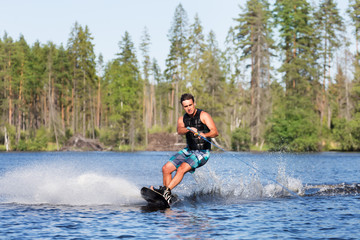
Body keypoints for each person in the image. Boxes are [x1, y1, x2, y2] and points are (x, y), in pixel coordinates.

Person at [152, 93, 219, 204]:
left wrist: (204, 134)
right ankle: (167, 196)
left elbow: (215, 132)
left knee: (181, 168)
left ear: (194, 103)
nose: (188, 108)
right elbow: (180, 130)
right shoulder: (182, 119)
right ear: (183, 107)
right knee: (166, 168)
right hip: (189, 150)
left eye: (190, 105)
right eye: (186, 106)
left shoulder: (204, 115)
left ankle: (166, 192)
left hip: (202, 152)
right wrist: (189, 129)